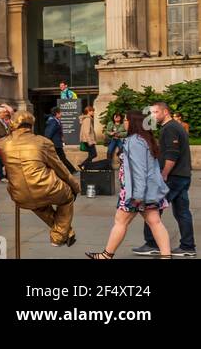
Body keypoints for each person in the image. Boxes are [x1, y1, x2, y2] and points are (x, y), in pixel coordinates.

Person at [87, 109, 172, 259]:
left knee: (120, 221)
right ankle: (166, 256)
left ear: (134, 123)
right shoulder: (145, 139)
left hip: (135, 192)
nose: (125, 122)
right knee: (155, 222)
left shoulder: (135, 141)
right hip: (148, 191)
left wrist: (137, 196)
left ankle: (106, 255)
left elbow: (139, 171)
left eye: (126, 120)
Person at [0, 111, 78, 248]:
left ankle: (66, 233)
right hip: (46, 188)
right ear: (31, 125)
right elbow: (60, 168)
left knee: (36, 203)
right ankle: (58, 237)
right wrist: (74, 186)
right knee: (67, 198)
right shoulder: (43, 142)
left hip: (19, 194)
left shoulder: (1, 144)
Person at [132, 100, 194, 257]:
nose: (152, 115)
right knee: (182, 212)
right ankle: (188, 246)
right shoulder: (172, 127)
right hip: (182, 175)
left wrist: (163, 174)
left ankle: (152, 243)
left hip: (172, 177)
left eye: (155, 112)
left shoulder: (170, 128)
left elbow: (172, 155)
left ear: (165, 112)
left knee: (151, 209)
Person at [43, 106, 77, 174]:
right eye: (60, 113)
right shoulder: (53, 122)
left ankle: (71, 171)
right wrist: (47, 143)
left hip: (56, 144)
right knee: (62, 158)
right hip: (55, 144)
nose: (61, 114)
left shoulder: (55, 120)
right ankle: (72, 171)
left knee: (59, 159)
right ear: (57, 113)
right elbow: (49, 133)